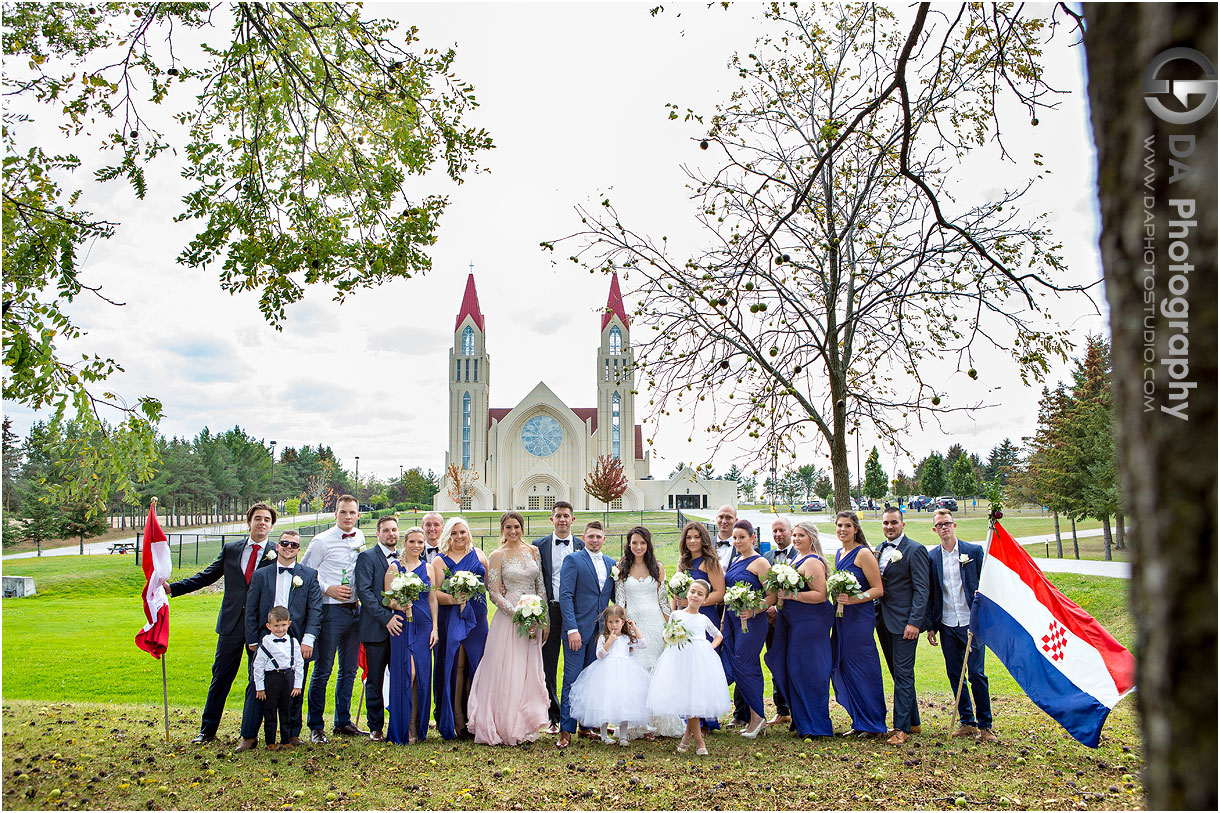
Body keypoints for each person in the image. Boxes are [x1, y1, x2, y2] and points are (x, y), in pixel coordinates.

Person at [169, 502, 276, 744]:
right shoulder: (231, 549)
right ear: (249, 522)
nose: (262, 523)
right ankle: (207, 731)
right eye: (257, 518)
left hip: (260, 628)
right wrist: (172, 588)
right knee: (220, 677)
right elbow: (206, 576)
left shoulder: (277, 552)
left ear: (271, 525)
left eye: (266, 520)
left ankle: (249, 733)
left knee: (257, 679)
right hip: (230, 625)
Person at [467, 511, 550, 745]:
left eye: (516, 527)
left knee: (527, 669)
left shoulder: (533, 551)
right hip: (510, 618)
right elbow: (493, 592)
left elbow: (540, 586)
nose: (513, 532)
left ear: (522, 528)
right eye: (508, 528)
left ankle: (525, 724)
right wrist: (517, 614)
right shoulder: (497, 555)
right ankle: (504, 724)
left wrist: (541, 617)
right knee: (508, 668)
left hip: (534, 615)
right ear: (502, 530)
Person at [238, 529, 322, 751]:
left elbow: (315, 609)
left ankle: (291, 734)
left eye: (294, 545)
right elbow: (251, 610)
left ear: (298, 549)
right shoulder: (261, 575)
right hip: (265, 640)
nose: (289, 547)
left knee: (295, 688)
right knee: (257, 686)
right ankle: (249, 735)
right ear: (277, 546)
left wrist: (309, 639)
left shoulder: (309, 575)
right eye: (285, 543)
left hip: (296, 641)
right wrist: (253, 640)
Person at [299, 494, 366, 743]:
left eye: (352, 512)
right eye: (343, 512)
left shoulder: (359, 537)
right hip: (330, 611)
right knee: (324, 669)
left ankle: (342, 721)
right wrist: (328, 588)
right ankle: (316, 725)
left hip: (354, 610)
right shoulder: (321, 542)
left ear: (358, 514)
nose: (348, 517)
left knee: (348, 670)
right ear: (335, 514)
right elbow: (304, 573)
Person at [926, 509, 996, 742]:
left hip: (971, 622)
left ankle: (986, 725)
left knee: (976, 673)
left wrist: (981, 594)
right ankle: (968, 722)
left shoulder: (973, 552)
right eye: (939, 525)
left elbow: (987, 582)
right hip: (947, 623)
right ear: (935, 530)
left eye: (947, 523)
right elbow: (932, 593)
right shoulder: (932, 557)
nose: (944, 528)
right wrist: (931, 626)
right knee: (956, 674)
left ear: (954, 526)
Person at [764, 520, 833, 738]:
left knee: (809, 672)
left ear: (811, 537)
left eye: (801, 535)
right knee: (796, 671)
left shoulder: (813, 562)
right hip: (795, 624)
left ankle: (816, 725)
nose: (796, 539)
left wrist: (792, 595)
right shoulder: (797, 558)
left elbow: (821, 594)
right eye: (794, 535)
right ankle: (803, 720)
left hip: (809, 625)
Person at [646, 579, 731, 756]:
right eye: (693, 592)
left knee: (694, 698)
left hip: (699, 660)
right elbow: (666, 635)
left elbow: (718, 635)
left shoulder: (703, 618)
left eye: (700, 594)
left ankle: (691, 740)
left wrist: (709, 647)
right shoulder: (677, 614)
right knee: (687, 697)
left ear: (705, 599)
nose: (695, 596)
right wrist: (670, 636)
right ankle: (697, 741)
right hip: (680, 659)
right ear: (687, 593)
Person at [613, 526, 682, 738]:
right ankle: (638, 723)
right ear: (629, 544)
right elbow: (620, 601)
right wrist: (624, 627)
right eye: (634, 542)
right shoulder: (621, 568)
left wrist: (672, 626)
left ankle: (657, 721)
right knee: (637, 673)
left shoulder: (657, 567)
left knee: (656, 672)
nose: (638, 546)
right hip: (634, 625)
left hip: (655, 624)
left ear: (648, 544)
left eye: (642, 543)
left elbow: (662, 601)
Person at [556, 520, 616, 748]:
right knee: (572, 678)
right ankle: (565, 729)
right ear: (584, 537)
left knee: (593, 680)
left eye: (599, 537)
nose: (595, 540)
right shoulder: (573, 560)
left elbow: (611, 599)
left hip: (600, 634)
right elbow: (566, 595)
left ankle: (587, 725)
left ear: (604, 538)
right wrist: (572, 629)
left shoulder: (611, 563)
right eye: (591, 536)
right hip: (577, 631)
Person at [874, 506, 931, 745]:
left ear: (903, 524)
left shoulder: (915, 550)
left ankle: (901, 728)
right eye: (886, 523)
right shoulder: (878, 550)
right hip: (882, 620)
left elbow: (922, 590)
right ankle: (914, 721)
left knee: (904, 673)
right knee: (897, 673)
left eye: (894, 523)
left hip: (905, 623)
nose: (889, 527)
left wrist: (914, 622)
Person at [830, 511, 888, 738]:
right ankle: (859, 720)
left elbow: (877, 589)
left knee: (863, 667)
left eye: (847, 526)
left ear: (855, 529)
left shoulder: (863, 553)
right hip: (842, 618)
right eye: (839, 526)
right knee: (845, 667)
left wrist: (854, 599)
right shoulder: (838, 553)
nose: (842, 530)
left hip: (860, 619)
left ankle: (874, 722)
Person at [431, 516, 489, 740]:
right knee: (457, 666)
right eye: (454, 533)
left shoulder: (480, 555)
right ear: (448, 535)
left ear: (468, 533)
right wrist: (455, 599)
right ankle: (456, 719)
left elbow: (487, 585)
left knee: (477, 666)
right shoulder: (440, 560)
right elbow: (433, 593)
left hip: (478, 617)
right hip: (453, 617)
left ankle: (474, 718)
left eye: (462, 532)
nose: (459, 537)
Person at [568, 605, 653, 746]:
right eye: (610, 622)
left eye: (617, 621)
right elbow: (600, 655)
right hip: (606, 672)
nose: (613, 625)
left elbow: (643, 644)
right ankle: (604, 735)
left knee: (625, 702)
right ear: (606, 623)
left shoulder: (627, 638)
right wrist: (610, 641)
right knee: (604, 702)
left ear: (623, 622)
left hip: (625, 673)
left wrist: (634, 628)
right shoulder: (604, 637)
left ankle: (623, 736)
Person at [385, 525, 439, 744]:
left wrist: (435, 627)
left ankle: (417, 727)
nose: (416, 546)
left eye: (420, 542)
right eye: (412, 542)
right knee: (409, 674)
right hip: (403, 626)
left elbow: (433, 599)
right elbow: (387, 599)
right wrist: (400, 604)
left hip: (425, 626)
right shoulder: (394, 568)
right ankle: (403, 727)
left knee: (423, 678)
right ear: (404, 543)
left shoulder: (428, 569)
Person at [720, 519, 774, 738]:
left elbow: (771, 596)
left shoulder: (760, 563)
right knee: (739, 663)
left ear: (753, 538)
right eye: (735, 538)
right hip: (732, 621)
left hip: (752, 622)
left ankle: (758, 717)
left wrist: (754, 611)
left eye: (742, 537)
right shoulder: (735, 560)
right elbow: (727, 594)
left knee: (745, 664)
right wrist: (724, 620)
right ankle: (753, 717)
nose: (738, 541)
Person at [533, 501, 581, 734]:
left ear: (573, 519)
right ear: (551, 519)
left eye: (566, 516)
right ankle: (552, 716)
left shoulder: (582, 545)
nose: (562, 520)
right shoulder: (538, 546)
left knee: (575, 666)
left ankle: (576, 716)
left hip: (575, 612)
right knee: (548, 665)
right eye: (558, 516)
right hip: (550, 611)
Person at [675, 521, 728, 732]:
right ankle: (687, 716)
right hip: (684, 619)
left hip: (703, 618)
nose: (693, 541)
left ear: (704, 539)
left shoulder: (709, 562)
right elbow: (676, 591)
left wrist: (696, 602)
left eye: (697, 537)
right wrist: (675, 614)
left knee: (701, 670)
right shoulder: (683, 562)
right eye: (689, 537)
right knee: (685, 668)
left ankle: (706, 719)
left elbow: (720, 592)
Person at [354, 515, 403, 741]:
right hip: (376, 629)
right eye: (386, 530)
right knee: (374, 680)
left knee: (402, 676)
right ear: (378, 534)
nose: (391, 534)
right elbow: (365, 593)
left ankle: (401, 721)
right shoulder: (367, 557)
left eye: (394, 530)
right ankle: (375, 727)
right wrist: (386, 618)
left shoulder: (406, 557)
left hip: (403, 630)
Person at [251, 606, 304, 751]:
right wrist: (260, 688)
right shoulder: (265, 643)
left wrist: (297, 685)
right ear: (268, 626)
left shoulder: (293, 643)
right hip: (271, 679)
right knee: (270, 711)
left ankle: (286, 739)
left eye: (283, 625)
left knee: (286, 710)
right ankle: (270, 741)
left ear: (289, 624)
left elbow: (299, 664)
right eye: (276, 626)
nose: (280, 629)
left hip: (288, 678)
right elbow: (258, 667)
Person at [762, 517, 796, 726]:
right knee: (774, 659)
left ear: (791, 532)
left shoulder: (800, 554)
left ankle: (796, 707)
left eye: (782, 530)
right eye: (774, 531)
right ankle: (781, 709)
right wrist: (769, 607)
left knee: (793, 662)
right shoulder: (766, 556)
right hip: (771, 618)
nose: (778, 534)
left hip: (794, 617)